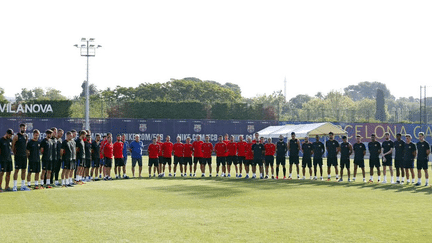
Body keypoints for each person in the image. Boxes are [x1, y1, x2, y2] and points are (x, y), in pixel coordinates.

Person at [12, 123, 30, 191]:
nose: (24, 129)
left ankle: (23, 186)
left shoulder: (26, 136)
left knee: (24, 170)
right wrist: (15, 154)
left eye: (24, 128)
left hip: (24, 156)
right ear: (20, 128)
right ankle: (14, 186)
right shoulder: (16, 136)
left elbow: (25, 146)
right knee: (16, 171)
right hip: (18, 156)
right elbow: (13, 146)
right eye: (22, 128)